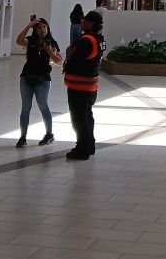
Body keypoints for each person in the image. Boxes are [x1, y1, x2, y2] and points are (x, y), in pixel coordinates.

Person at [63, 10, 105, 160]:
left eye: (85, 20)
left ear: (91, 23)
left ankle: (82, 149)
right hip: (90, 86)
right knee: (87, 116)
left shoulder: (86, 40)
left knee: (79, 119)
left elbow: (75, 60)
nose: (83, 22)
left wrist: (69, 55)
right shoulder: (99, 39)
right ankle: (89, 145)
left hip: (79, 86)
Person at [15, 17, 61, 148]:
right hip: (26, 78)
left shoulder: (52, 43)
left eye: (44, 27)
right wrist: (28, 26)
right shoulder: (30, 41)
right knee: (26, 107)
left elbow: (59, 61)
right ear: (35, 30)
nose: (42, 29)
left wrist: (49, 51)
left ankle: (49, 134)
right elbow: (19, 41)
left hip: (43, 79)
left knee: (43, 106)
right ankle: (23, 137)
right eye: (39, 27)